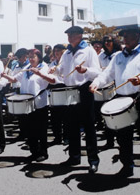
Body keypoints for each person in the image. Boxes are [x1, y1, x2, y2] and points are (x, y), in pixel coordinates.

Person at [90, 26, 140, 186]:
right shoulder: (118, 56)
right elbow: (107, 74)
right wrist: (96, 82)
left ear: (136, 35)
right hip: (121, 98)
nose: (124, 39)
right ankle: (127, 166)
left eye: (127, 35)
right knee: (123, 137)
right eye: (123, 36)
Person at [53, 26, 101, 174]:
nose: (70, 37)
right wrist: (54, 69)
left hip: (84, 90)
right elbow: (61, 71)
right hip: (70, 90)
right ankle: (74, 157)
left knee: (88, 127)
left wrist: (85, 70)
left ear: (80, 35)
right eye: (68, 35)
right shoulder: (67, 53)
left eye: (73, 34)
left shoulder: (89, 51)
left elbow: (97, 72)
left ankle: (93, 160)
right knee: (71, 126)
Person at [2, 49, 55, 162]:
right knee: (30, 129)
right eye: (29, 57)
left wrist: (39, 73)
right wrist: (5, 76)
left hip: (40, 103)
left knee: (41, 130)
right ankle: (34, 152)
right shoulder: (26, 69)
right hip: (27, 103)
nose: (30, 59)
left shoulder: (44, 67)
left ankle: (43, 153)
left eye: (33, 57)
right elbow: (14, 79)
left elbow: (51, 80)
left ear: (39, 58)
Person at [97, 34, 122, 149]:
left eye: (110, 41)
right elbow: (98, 69)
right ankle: (110, 140)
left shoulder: (118, 54)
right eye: (105, 41)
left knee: (116, 114)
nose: (107, 43)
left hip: (116, 86)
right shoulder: (101, 56)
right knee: (106, 115)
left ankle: (120, 139)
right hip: (105, 86)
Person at [48, 44, 70, 145]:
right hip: (54, 88)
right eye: (55, 50)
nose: (56, 52)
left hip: (64, 87)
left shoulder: (66, 62)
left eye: (59, 50)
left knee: (66, 116)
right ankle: (57, 136)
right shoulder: (52, 64)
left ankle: (66, 137)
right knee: (55, 116)